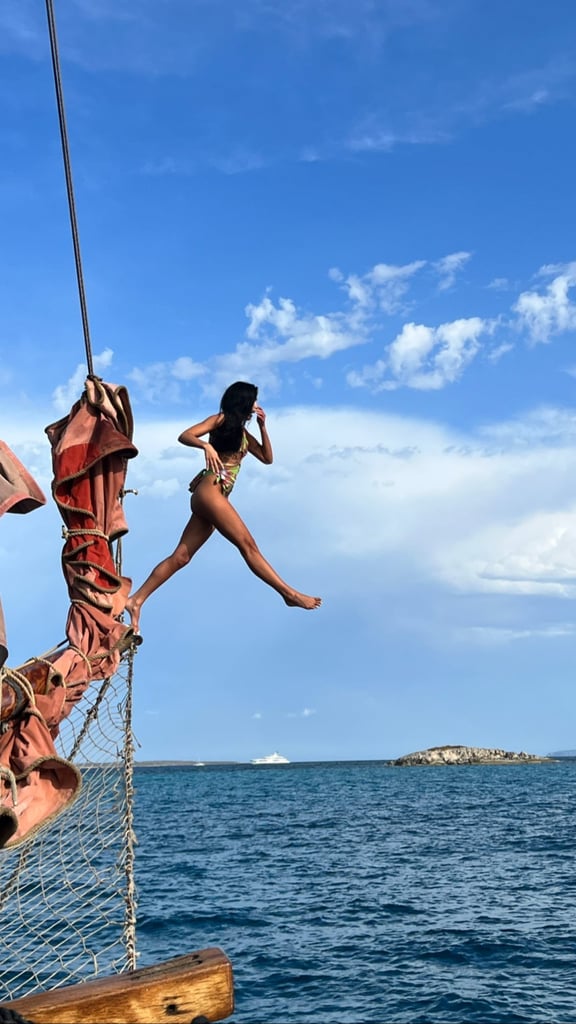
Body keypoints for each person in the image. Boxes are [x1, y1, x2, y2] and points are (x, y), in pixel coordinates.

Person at [125, 381, 321, 631]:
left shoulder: (243, 434)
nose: (256, 406)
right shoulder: (219, 420)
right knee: (248, 546)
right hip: (210, 491)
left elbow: (268, 458)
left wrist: (263, 427)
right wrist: (205, 445)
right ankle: (289, 594)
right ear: (243, 402)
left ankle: (136, 601)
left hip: (214, 497)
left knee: (181, 557)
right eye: (254, 401)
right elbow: (185, 435)